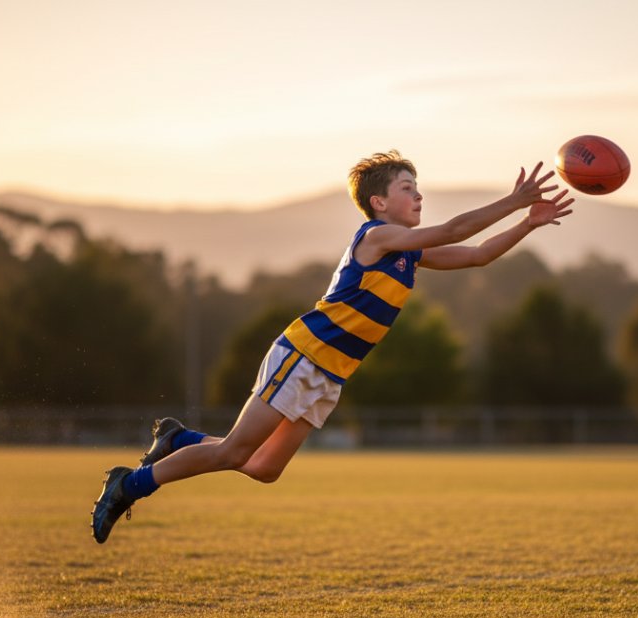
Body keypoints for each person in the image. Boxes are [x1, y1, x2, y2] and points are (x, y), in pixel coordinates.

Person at [91, 151, 574, 543]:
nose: (419, 194)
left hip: (330, 373)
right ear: (379, 203)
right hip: (303, 356)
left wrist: (528, 224)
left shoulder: (408, 251)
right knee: (235, 453)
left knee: (262, 469)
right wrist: (513, 201)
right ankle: (127, 485)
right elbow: (453, 231)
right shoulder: (379, 236)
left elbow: (476, 255)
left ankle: (180, 439)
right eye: (408, 187)